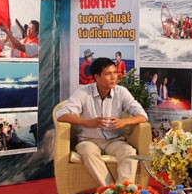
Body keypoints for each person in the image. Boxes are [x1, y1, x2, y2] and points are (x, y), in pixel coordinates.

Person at [56, 57, 148, 186]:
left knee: (129, 152)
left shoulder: (121, 92)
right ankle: (109, 191)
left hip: (114, 141)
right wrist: (88, 122)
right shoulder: (83, 92)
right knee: (88, 152)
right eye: (108, 74)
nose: (114, 77)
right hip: (88, 140)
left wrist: (124, 121)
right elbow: (61, 115)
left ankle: (124, 190)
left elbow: (143, 116)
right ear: (97, 77)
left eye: (115, 73)